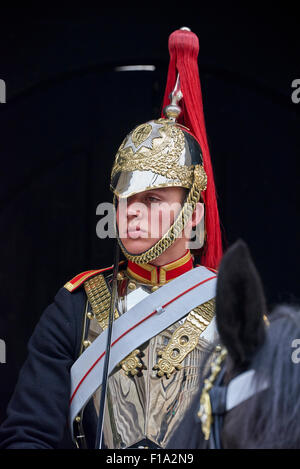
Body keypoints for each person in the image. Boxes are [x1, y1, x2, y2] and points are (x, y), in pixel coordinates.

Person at [0, 27, 223, 449]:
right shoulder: (76, 306)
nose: (132, 211)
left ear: (193, 214)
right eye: (125, 197)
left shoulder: (232, 306)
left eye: (152, 198)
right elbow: (28, 437)